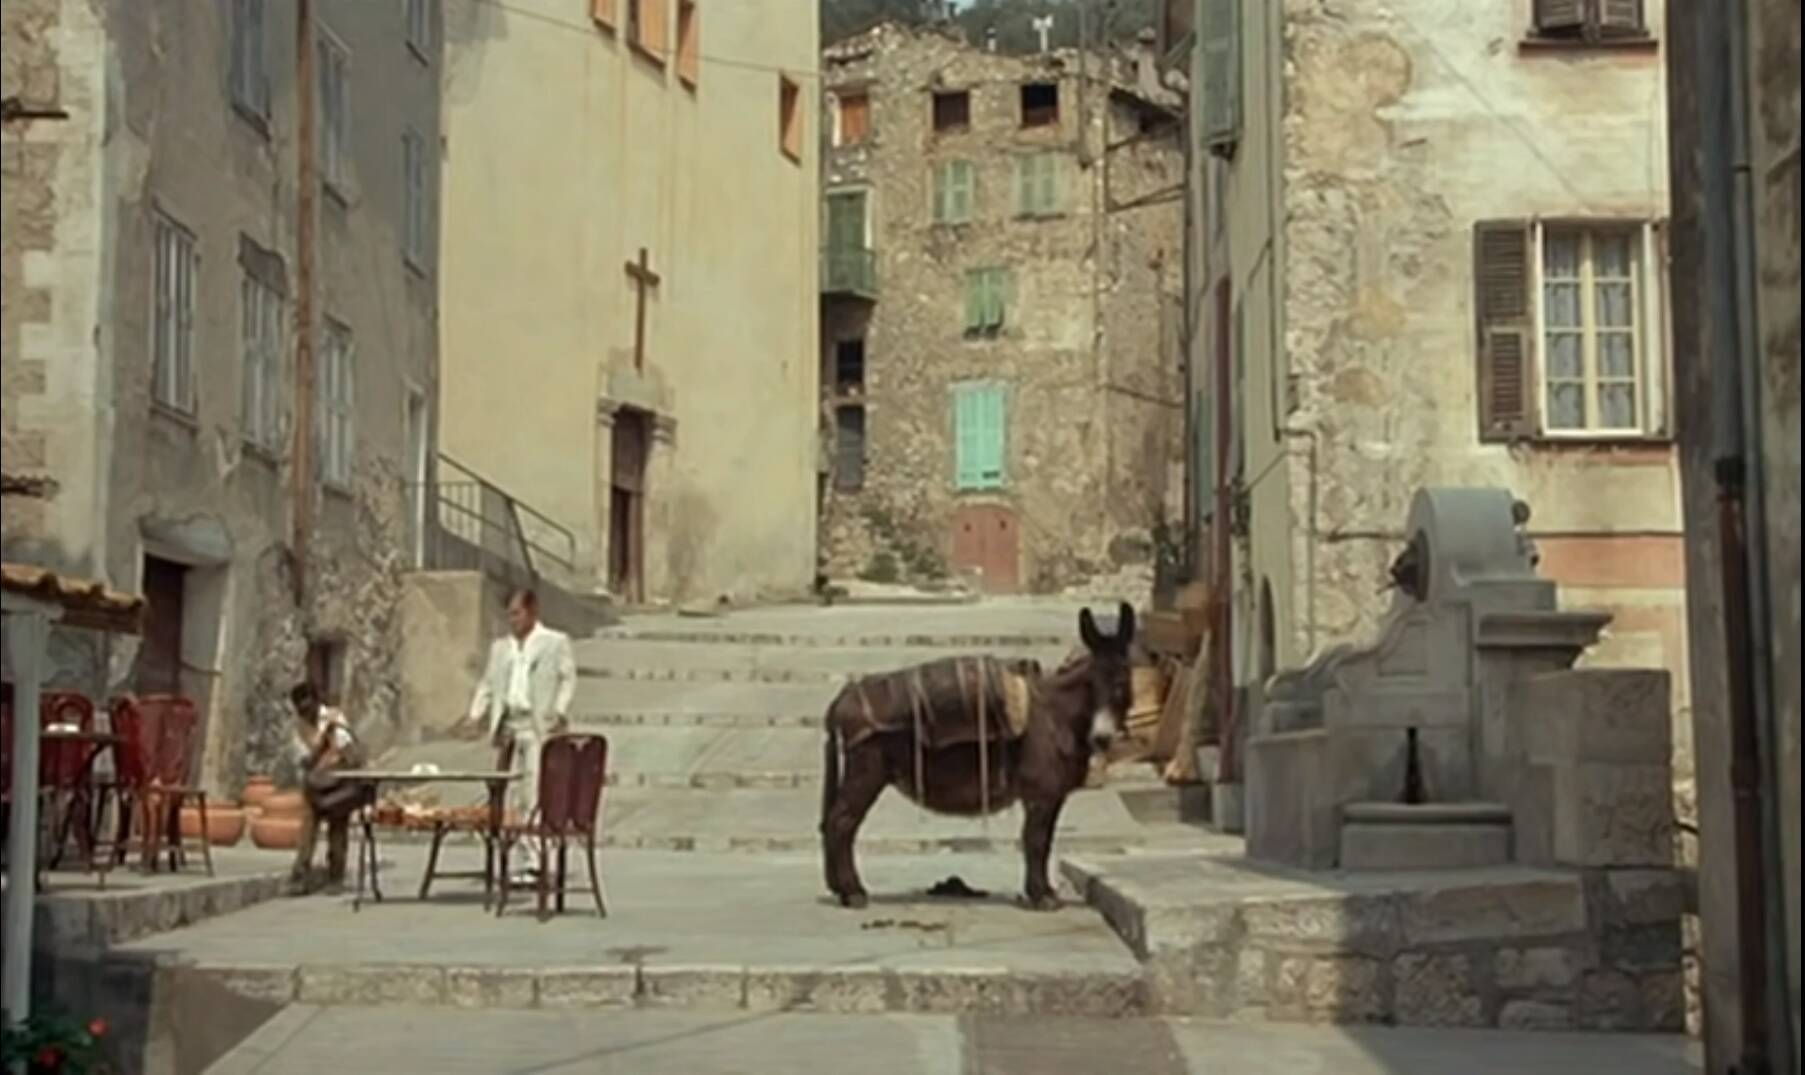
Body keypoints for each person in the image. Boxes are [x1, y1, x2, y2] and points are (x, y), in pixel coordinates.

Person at [466, 588, 576, 823]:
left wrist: (559, 710)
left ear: (532, 613)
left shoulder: (554, 642)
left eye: (518, 614)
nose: (513, 620)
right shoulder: (501, 648)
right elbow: (488, 683)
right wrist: (476, 714)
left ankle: (534, 848)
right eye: (510, 615)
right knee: (509, 787)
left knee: (534, 786)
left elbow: (568, 678)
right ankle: (513, 842)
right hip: (509, 725)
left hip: (536, 725)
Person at [288, 681, 368, 893]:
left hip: (339, 783)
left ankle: (336, 877)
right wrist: (319, 749)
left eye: (309, 706)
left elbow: (348, 750)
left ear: (316, 701)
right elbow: (303, 759)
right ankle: (300, 875)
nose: (307, 713)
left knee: (338, 828)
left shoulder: (335, 720)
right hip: (316, 785)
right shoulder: (299, 729)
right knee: (308, 829)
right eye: (302, 710)